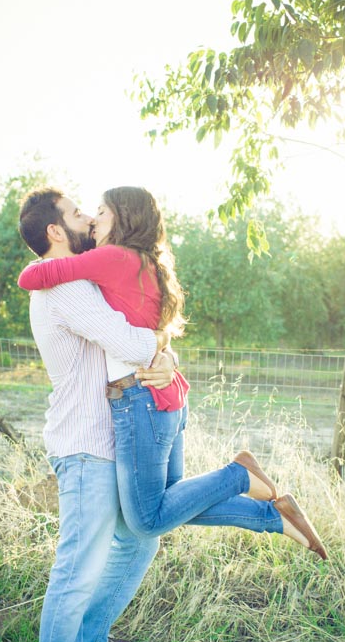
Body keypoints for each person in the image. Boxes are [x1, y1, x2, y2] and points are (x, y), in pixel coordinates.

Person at [18, 186, 327, 553]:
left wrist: (35, 265)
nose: (91, 218)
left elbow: (31, 280)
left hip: (140, 400)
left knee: (148, 519)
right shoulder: (146, 263)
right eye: (82, 213)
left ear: (121, 218)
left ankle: (238, 476)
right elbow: (150, 332)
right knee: (176, 503)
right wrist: (166, 351)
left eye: (99, 211)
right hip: (163, 397)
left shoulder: (109, 259)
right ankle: (274, 517)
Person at [19, 187, 176, 642]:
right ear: (57, 231)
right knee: (78, 566)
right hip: (84, 443)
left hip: (110, 437)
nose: (88, 217)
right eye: (77, 213)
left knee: (140, 537)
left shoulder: (80, 276)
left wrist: (159, 349)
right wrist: (159, 348)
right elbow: (127, 341)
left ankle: (89, 640)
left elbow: (132, 333)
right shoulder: (63, 281)